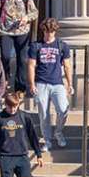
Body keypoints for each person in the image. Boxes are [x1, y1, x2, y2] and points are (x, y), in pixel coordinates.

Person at [27, 18, 73, 150]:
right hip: (41, 82)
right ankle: (47, 140)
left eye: (51, 32)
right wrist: (31, 84)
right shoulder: (36, 45)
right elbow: (31, 65)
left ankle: (58, 132)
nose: (48, 35)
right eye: (46, 32)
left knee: (63, 109)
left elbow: (67, 65)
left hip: (57, 82)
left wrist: (69, 84)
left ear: (55, 31)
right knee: (44, 114)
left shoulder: (62, 45)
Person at [0, 0, 37, 94]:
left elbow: (35, 12)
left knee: (22, 59)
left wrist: (27, 18)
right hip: (6, 31)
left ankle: (20, 88)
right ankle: (5, 81)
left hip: (22, 31)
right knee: (6, 55)